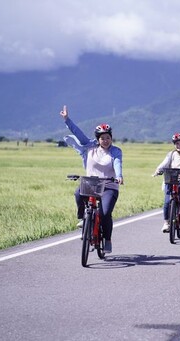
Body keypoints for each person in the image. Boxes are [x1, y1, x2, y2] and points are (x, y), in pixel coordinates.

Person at [59, 105, 123, 254]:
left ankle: (107, 240)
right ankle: (83, 218)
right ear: (97, 139)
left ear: (111, 138)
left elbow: (117, 163)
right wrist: (67, 119)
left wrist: (119, 176)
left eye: (108, 137)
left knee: (105, 213)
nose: (105, 140)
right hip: (91, 184)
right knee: (78, 193)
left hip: (109, 186)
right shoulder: (89, 147)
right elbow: (77, 132)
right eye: (102, 138)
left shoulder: (116, 151)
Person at [152, 133, 180, 233]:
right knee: (168, 201)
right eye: (177, 144)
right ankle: (166, 222)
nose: (179, 146)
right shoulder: (171, 154)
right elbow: (164, 163)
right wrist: (158, 170)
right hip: (171, 179)